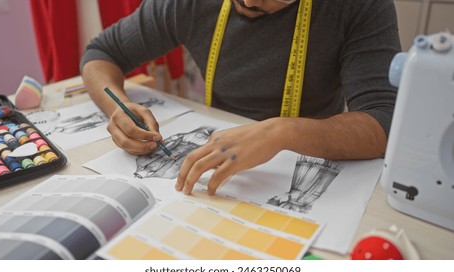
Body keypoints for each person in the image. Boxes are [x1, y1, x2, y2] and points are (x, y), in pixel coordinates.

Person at [80, 0, 401, 195]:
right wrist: (117, 108)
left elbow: (385, 120)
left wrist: (282, 132)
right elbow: (102, 53)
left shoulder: (358, 6)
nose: (248, 2)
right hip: (218, 161)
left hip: (310, 157)